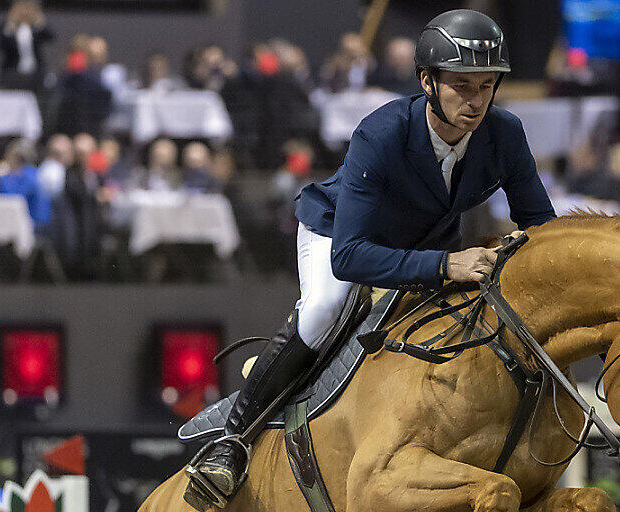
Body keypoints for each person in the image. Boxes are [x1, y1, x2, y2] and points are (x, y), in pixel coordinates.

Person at [183, 9, 556, 511]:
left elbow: (541, 227)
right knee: (323, 309)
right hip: (337, 235)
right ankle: (230, 443)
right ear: (427, 80)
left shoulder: (504, 134)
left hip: (424, 245)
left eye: (487, 86)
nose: (475, 101)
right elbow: (351, 257)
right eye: (462, 85)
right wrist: (447, 266)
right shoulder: (380, 133)